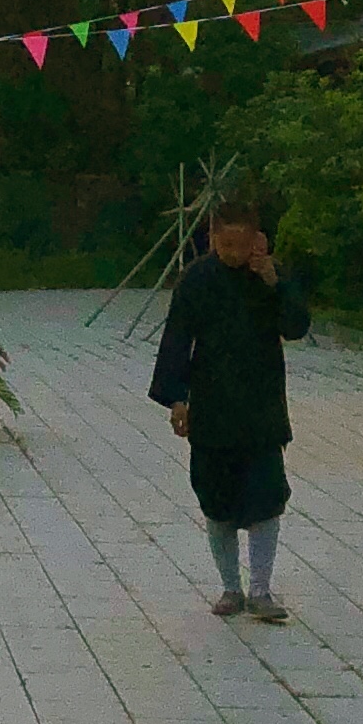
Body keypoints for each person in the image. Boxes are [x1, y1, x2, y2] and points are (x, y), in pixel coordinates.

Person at [149, 195, 309, 621]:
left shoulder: (271, 278)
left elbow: (296, 327)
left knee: (266, 498)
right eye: (225, 245)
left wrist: (275, 282)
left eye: (241, 244)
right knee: (216, 501)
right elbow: (177, 340)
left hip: (261, 407)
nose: (233, 254)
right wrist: (177, 398)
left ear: (257, 239)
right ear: (213, 238)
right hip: (212, 408)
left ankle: (261, 589)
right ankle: (230, 588)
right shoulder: (196, 280)